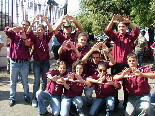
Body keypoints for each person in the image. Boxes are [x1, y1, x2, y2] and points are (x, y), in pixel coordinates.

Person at [105, 14, 140, 107]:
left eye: (123, 26)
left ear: (126, 27)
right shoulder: (115, 36)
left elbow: (137, 31)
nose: (121, 28)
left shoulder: (130, 37)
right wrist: (112, 22)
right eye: (119, 26)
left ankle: (126, 104)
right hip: (115, 65)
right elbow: (107, 30)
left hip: (127, 65)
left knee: (126, 85)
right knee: (114, 85)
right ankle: (115, 103)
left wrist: (129, 22)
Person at [27, 14, 53, 107]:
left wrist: (46, 21)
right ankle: (34, 98)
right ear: (36, 31)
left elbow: (51, 30)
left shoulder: (47, 37)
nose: (40, 31)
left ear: (44, 30)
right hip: (37, 63)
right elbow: (28, 32)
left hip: (45, 62)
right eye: (38, 29)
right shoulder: (34, 38)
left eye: (42, 29)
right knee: (36, 81)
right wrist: (33, 22)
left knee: (44, 81)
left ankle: (42, 97)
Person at [4, 20, 32, 107]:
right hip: (14, 62)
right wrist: (12, 29)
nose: (24, 26)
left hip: (24, 63)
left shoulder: (29, 35)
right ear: (20, 24)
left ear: (28, 27)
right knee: (13, 82)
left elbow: (29, 44)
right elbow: (6, 30)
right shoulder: (14, 33)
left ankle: (26, 96)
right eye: (23, 24)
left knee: (25, 81)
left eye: (26, 25)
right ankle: (12, 98)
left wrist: (24, 38)